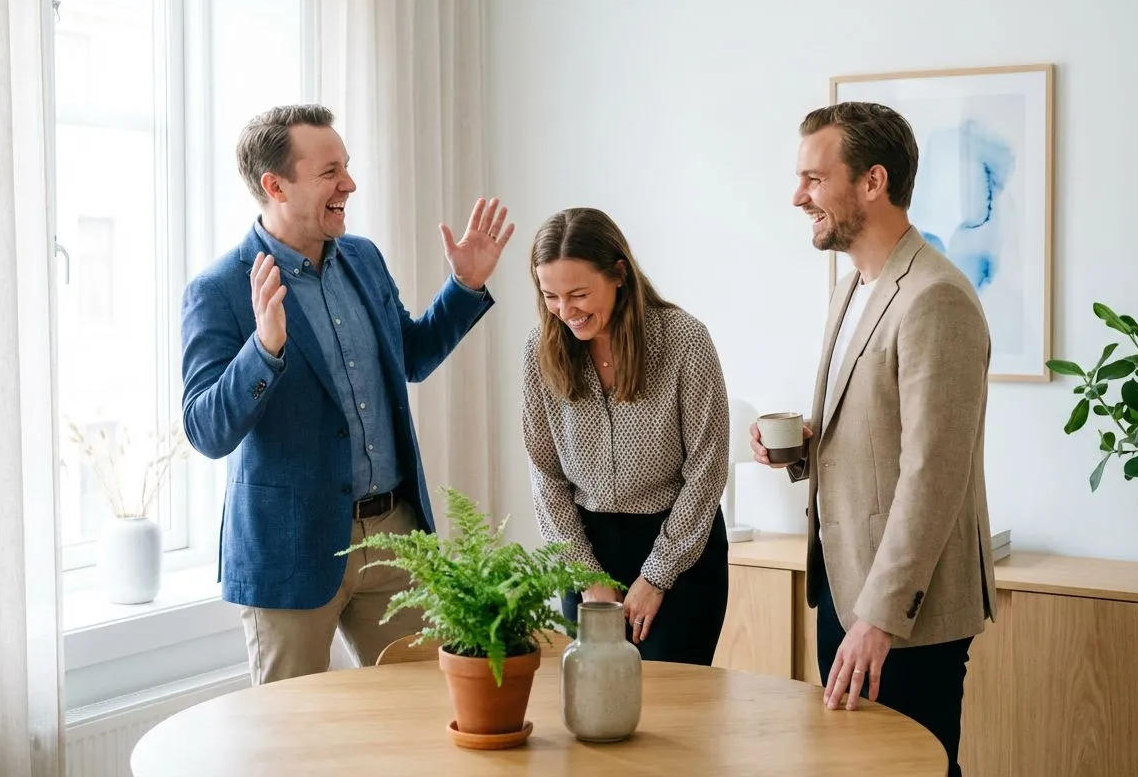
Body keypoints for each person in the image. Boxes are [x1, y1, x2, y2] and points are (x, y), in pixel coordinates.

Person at [180, 104, 514, 684]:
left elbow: (410, 355)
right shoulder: (218, 289)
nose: (349, 185)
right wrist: (263, 349)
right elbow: (206, 430)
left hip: (394, 536)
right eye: (330, 171)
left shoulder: (362, 258)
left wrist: (466, 287)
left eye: (348, 167)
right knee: (294, 737)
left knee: (421, 713)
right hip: (290, 548)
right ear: (274, 185)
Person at [751, 102, 997, 776]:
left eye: (813, 177)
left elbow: (932, 473)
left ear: (872, 182)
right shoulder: (853, 287)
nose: (798, 196)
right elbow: (877, 434)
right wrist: (802, 449)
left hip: (902, 611)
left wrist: (881, 618)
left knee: (911, 767)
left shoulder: (935, 298)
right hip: (844, 583)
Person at [521, 207, 730, 665]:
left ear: (619, 273)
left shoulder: (684, 341)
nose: (565, 311)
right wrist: (587, 575)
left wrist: (657, 575)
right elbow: (545, 475)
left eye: (578, 294)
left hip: (682, 551)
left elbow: (707, 468)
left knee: (673, 713)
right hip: (587, 549)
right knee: (598, 708)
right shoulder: (540, 353)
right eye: (550, 296)